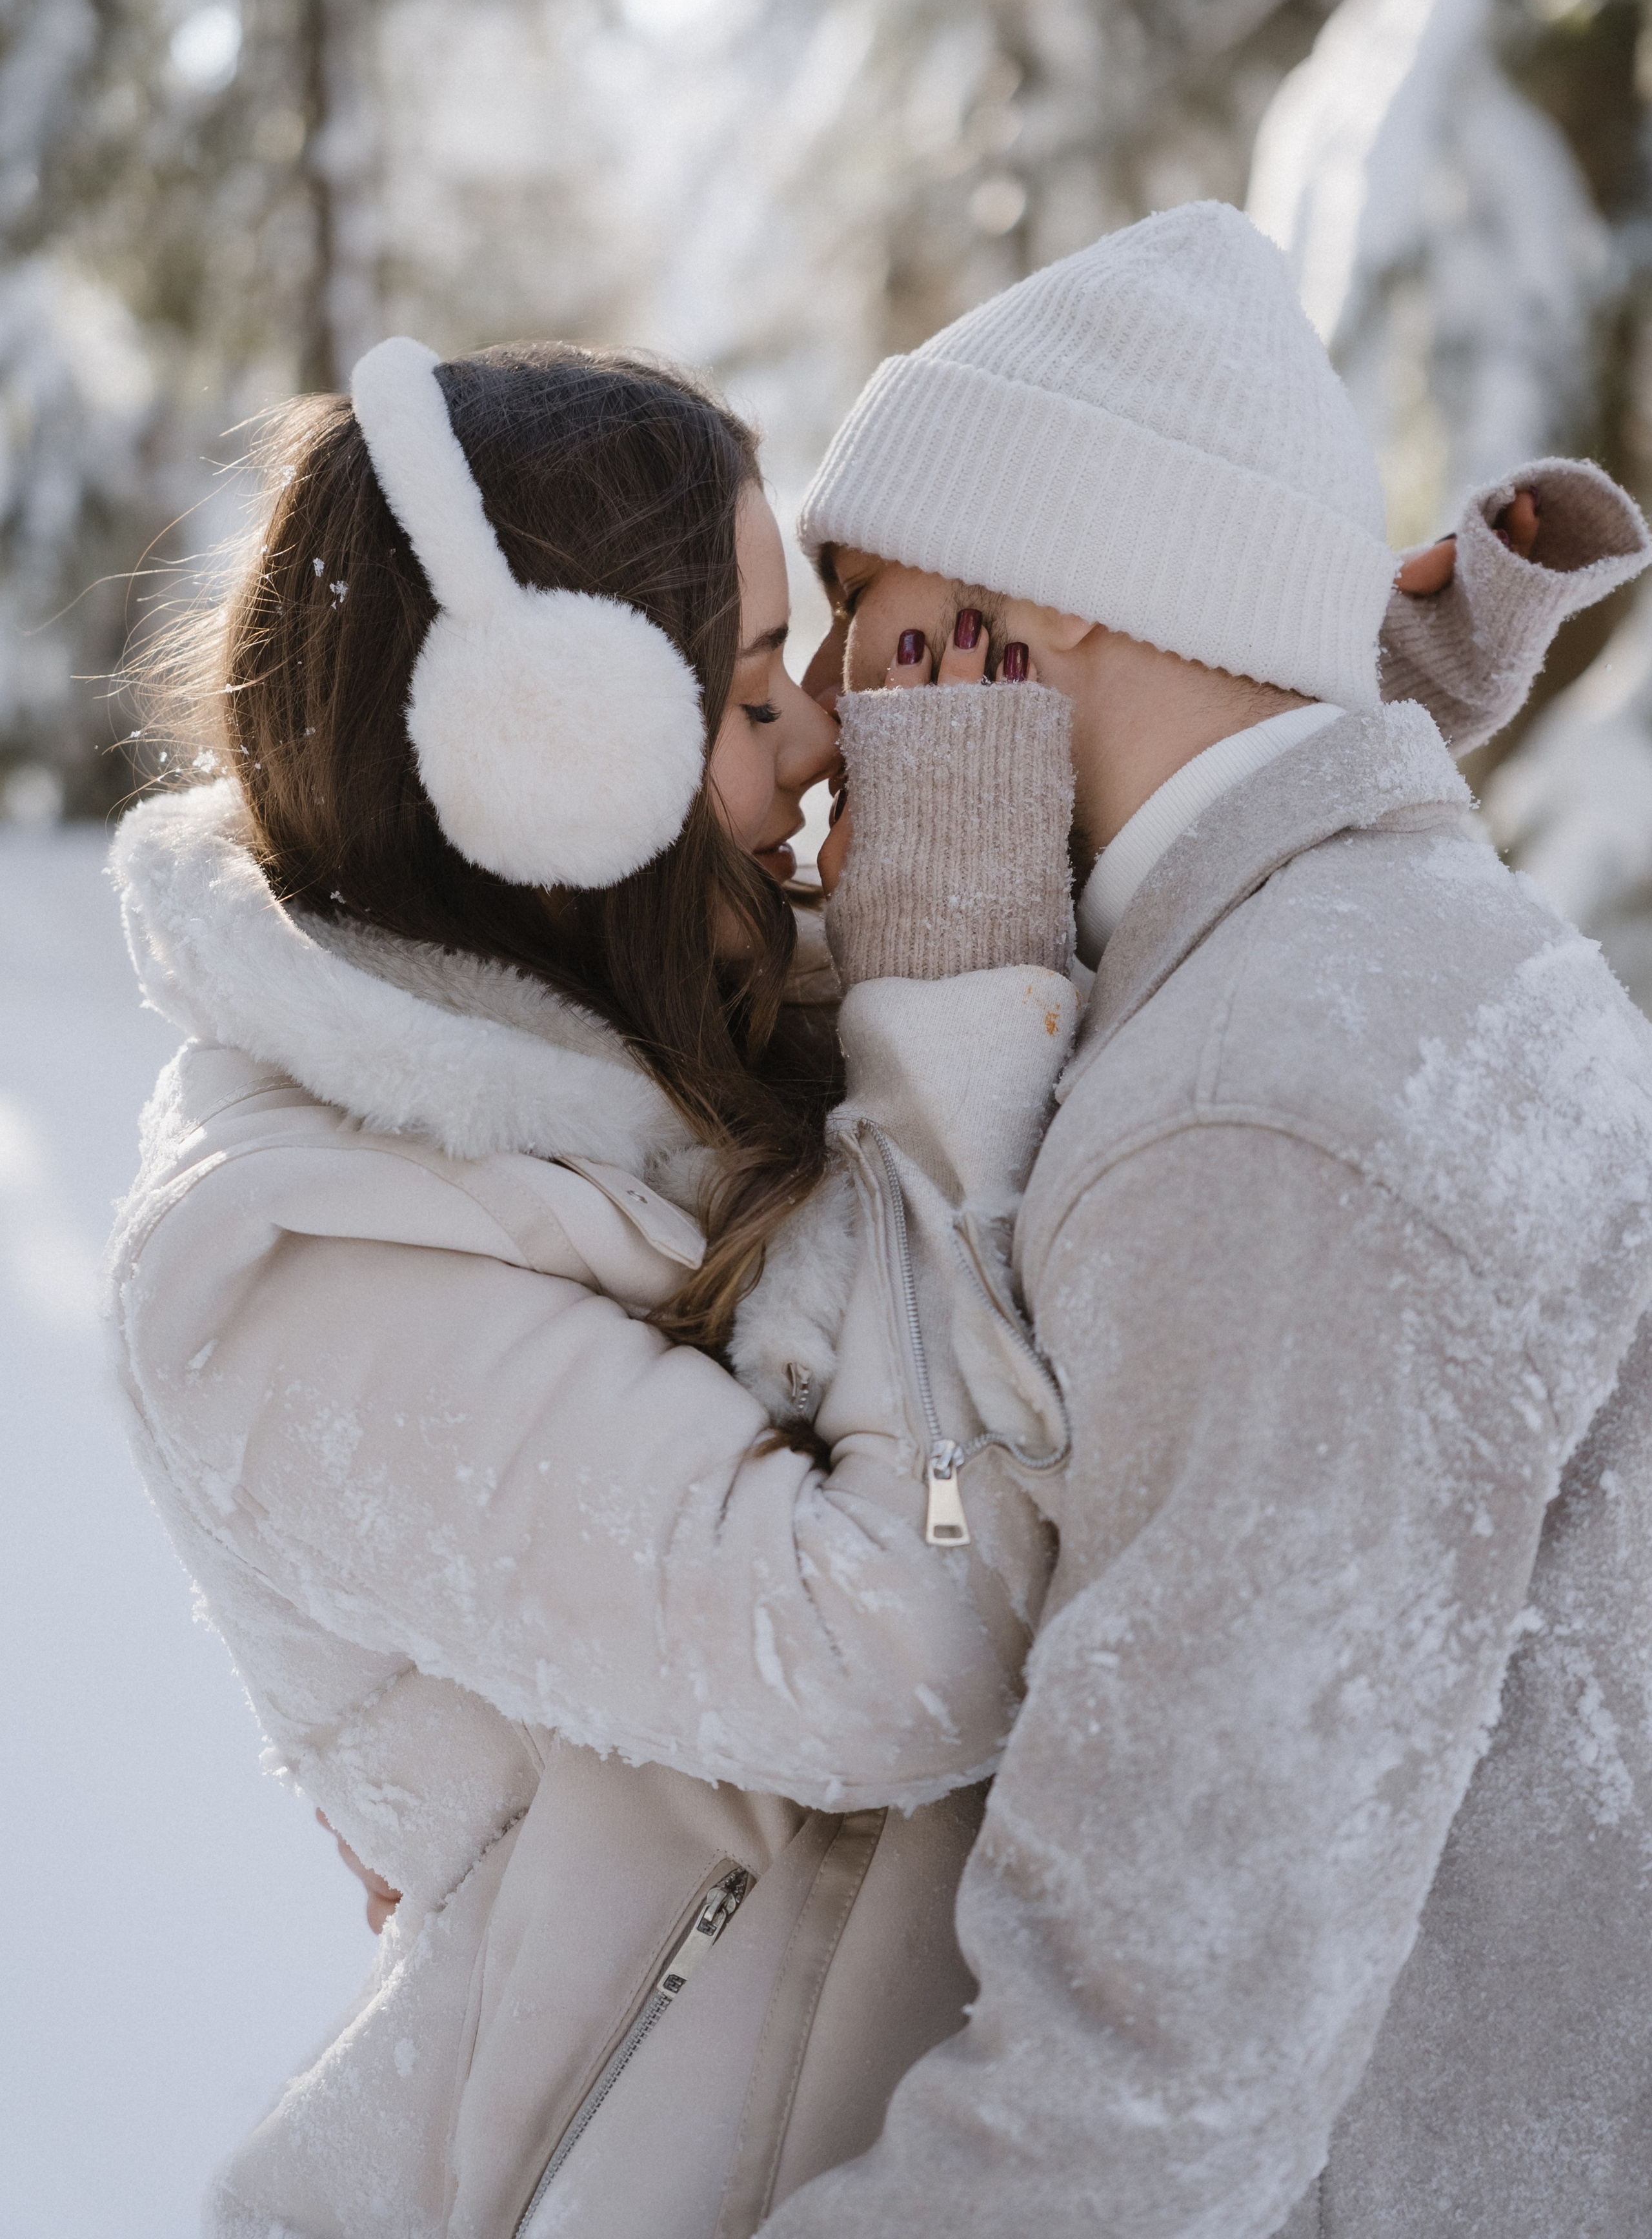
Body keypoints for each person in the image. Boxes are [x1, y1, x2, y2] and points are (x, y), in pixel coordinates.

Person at [108, 296, 1616, 2239]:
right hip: (620, 2171)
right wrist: (949, 1009)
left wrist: (1325, 677)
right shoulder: (295, 1277)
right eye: (755, 695)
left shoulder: (643, 1046)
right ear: (556, 775)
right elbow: (900, 1638)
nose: (831, 728)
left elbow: (1103, 913)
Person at [756, 199, 1652, 2239]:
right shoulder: (1360, 972)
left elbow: (1139, 2093)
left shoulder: (1263, 1113)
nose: (821, 715)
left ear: (1042, 603)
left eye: (866, 604)